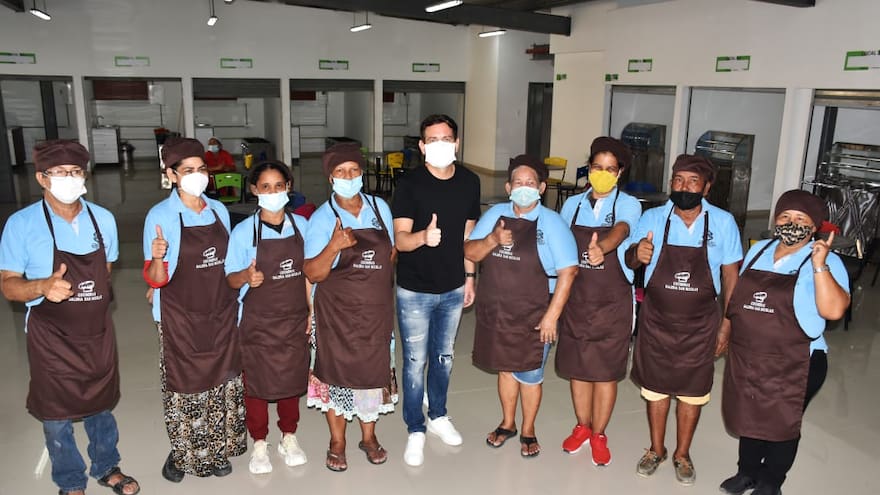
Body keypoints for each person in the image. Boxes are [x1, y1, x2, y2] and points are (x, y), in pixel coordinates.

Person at [0, 140, 140, 495]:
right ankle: (70, 481)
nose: (69, 179)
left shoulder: (102, 219)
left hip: (96, 332)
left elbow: (104, 273)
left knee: (100, 404)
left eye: (75, 172)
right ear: (41, 179)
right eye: (60, 173)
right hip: (51, 337)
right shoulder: (21, 224)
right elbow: (8, 286)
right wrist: (42, 286)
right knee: (56, 414)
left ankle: (107, 466)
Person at [719, 190, 849, 495]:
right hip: (749, 355)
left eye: (801, 219)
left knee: (781, 422)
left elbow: (833, 310)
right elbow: (738, 297)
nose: (791, 224)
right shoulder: (759, 250)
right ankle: (747, 472)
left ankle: (771, 481)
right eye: (785, 217)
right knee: (749, 413)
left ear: (814, 226)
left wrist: (820, 265)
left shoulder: (826, 260)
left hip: (797, 360)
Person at [625, 154, 742, 486]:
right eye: (678, 180)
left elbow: (731, 277)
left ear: (706, 188)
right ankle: (656, 449)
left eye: (692, 182)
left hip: (702, 323)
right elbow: (630, 259)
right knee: (656, 389)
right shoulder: (652, 218)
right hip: (656, 320)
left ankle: (682, 454)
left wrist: (728, 323)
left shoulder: (723, 222)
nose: (683, 187)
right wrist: (638, 255)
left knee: (692, 393)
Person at [142, 137, 246, 482]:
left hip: (219, 309)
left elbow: (228, 264)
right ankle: (185, 454)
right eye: (188, 170)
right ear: (171, 175)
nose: (197, 176)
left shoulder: (218, 211)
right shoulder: (160, 215)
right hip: (179, 315)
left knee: (221, 381)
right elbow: (156, 280)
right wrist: (157, 258)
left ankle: (217, 451)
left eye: (201, 169)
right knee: (187, 385)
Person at [464, 154, 578, 458]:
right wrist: (492, 239)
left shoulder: (552, 223)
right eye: (518, 183)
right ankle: (508, 423)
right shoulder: (496, 214)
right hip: (498, 309)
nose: (523, 188)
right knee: (505, 370)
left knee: (529, 375)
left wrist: (552, 316)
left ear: (541, 188)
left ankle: (528, 429)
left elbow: (569, 272)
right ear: (507, 186)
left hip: (535, 311)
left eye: (530, 183)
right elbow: (471, 252)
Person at [391, 114, 482, 467]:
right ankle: (416, 427)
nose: (440, 144)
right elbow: (400, 240)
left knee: (444, 357)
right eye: (433, 139)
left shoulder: (470, 182)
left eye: (447, 138)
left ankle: (438, 414)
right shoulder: (410, 185)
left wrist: (470, 276)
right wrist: (422, 238)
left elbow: (468, 238)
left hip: (453, 286)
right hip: (414, 289)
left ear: (457, 143)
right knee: (415, 362)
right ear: (422, 146)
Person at [303, 143, 398, 472]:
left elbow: (391, 253)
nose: (349, 177)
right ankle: (337, 441)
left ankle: (368, 437)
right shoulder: (322, 218)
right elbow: (313, 272)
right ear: (331, 178)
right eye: (341, 172)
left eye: (354, 171)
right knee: (335, 376)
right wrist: (333, 246)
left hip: (375, 311)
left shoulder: (379, 208)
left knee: (372, 374)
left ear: (362, 174)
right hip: (337, 315)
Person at [557, 137, 642, 467]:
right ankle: (582, 426)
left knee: (605, 372)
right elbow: (561, 246)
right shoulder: (571, 205)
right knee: (579, 368)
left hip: (612, 300)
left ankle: (599, 434)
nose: (602, 174)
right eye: (596, 167)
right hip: (576, 298)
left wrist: (602, 247)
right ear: (588, 169)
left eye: (610, 169)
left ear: (619, 172)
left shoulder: (630, 204)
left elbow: (621, 230)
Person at [225, 161, 311, 474]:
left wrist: (311, 312)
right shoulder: (243, 232)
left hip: (293, 319)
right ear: (254, 191)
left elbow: (309, 277)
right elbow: (229, 279)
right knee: (256, 384)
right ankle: (259, 442)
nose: (273, 192)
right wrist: (246, 277)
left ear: (288, 187)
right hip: (257, 321)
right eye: (265, 187)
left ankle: (289, 436)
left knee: (290, 380)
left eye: (278, 186)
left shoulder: (303, 226)